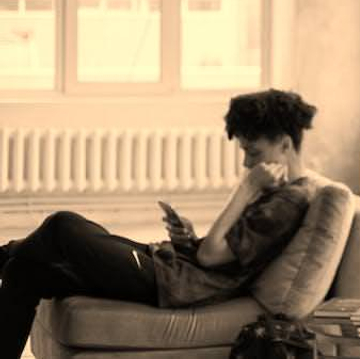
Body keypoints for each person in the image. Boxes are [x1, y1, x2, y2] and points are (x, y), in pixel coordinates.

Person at [0, 89, 321, 359]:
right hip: (173, 265)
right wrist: (190, 239)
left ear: (283, 143)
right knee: (24, 271)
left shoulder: (289, 201)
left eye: (252, 151)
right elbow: (219, 253)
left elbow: (211, 258)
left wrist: (246, 188)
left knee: (63, 226)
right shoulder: (279, 194)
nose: (246, 163)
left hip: (175, 284)